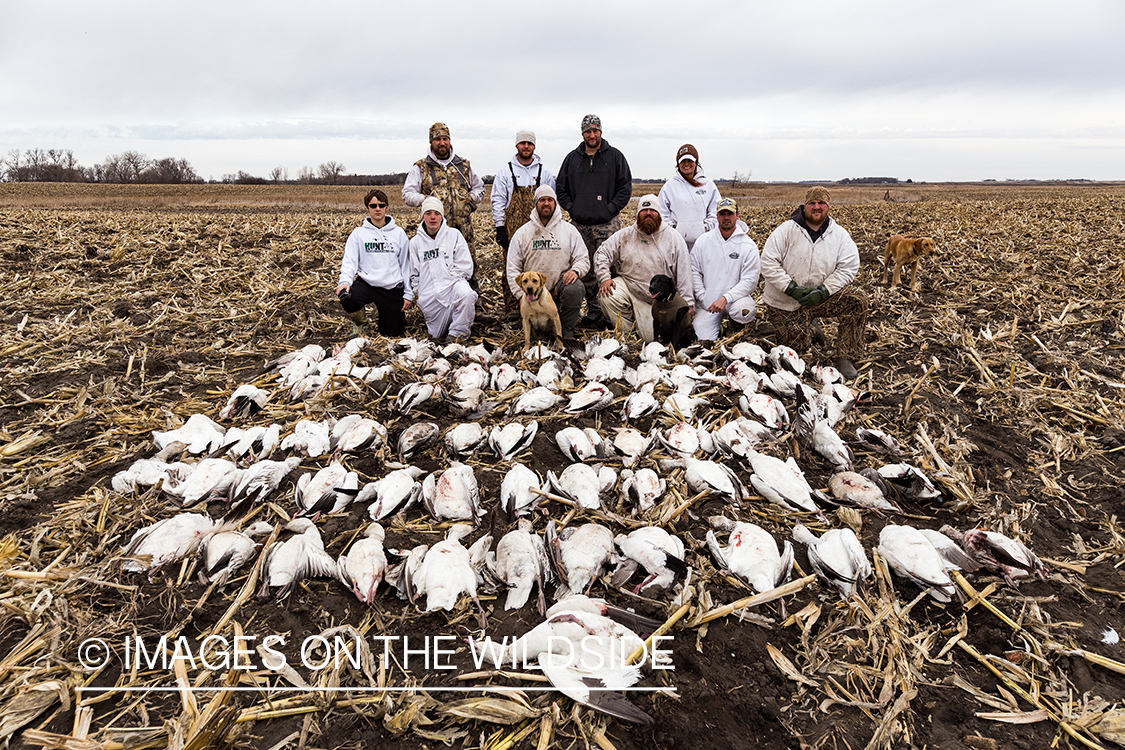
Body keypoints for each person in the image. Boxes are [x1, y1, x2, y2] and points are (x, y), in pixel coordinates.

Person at [760, 186, 867, 379]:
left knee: (857, 301)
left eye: (821, 203)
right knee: (795, 351)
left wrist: (825, 290)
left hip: (822, 296)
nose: (817, 207)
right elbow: (767, 262)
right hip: (788, 301)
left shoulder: (839, 235)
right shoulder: (786, 231)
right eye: (812, 203)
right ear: (805, 206)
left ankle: (846, 355)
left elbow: (849, 266)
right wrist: (790, 288)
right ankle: (810, 328)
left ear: (828, 206)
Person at [556, 114, 632, 329]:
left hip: (607, 225)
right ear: (582, 133)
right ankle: (593, 312)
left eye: (595, 130)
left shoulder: (615, 157)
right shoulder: (572, 159)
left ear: (601, 131)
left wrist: (610, 208)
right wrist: (573, 207)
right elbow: (560, 188)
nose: (592, 134)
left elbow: (625, 187)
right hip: (579, 225)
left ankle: (611, 311)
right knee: (586, 270)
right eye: (588, 131)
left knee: (610, 267)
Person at [593, 194, 692, 342]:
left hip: (660, 302)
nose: (648, 214)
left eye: (652, 210)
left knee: (651, 339)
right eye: (644, 211)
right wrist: (605, 278)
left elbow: (684, 274)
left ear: (659, 214)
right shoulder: (625, 235)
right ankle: (628, 335)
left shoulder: (673, 238)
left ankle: (642, 329)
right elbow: (602, 253)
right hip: (630, 288)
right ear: (638, 214)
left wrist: (688, 304)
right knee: (607, 294)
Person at [506, 185, 589, 340]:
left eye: (550, 200)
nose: (546, 203)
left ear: (555, 203)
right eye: (542, 200)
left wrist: (575, 270)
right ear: (536, 204)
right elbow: (512, 267)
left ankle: (566, 333)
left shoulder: (569, 231)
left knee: (575, 288)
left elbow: (582, 257)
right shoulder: (523, 233)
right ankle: (535, 333)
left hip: (559, 285)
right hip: (533, 290)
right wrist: (520, 295)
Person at [492, 130, 556, 322]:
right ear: (517, 146)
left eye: (529, 143)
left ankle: (543, 306)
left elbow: (551, 201)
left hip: (538, 228)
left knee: (538, 267)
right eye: (522, 143)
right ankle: (513, 308)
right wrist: (500, 227)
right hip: (512, 228)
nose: (526, 147)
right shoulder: (506, 171)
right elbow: (497, 200)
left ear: (534, 146)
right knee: (511, 268)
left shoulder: (543, 172)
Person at [402, 122, 485, 272]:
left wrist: (470, 199)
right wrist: (427, 200)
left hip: (463, 231)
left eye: (445, 139)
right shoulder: (421, 167)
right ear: (431, 142)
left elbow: (480, 188)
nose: (442, 143)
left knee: (467, 270)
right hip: (434, 233)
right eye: (437, 139)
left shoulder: (463, 165)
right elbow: (407, 194)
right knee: (436, 270)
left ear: (450, 140)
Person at [336, 189, 413, 336]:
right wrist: (345, 282)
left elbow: (406, 265)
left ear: (387, 208)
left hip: (391, 286)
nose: (377, 209)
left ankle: (382, 310)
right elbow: (349, 262)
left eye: (381, 205)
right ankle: (361, 323)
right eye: (373, 206)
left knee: (392, 333)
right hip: (367, 283)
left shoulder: (398, 234)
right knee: (348, 297)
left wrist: (408, 293)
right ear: (367, 208)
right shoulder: (358, 234)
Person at [407, 197, 477, 343]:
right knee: (436, 335)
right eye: (428, 213)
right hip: (430, 296)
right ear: (422, 216)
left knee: (467, 295)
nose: (433, 217)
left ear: (442, 216)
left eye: (437, 213)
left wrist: (448, 281)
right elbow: (414, 274)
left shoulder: (454, 235)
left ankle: (458, 333)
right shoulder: (415, 243)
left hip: (453, 286)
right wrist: (419, 293)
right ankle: (445, 328)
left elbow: (465, 265)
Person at [690, 198, 759, 343]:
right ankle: (718, 328)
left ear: (737, 215)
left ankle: (735, 329)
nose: (726, 217)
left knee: (744, 311)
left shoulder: (748, 245)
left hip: (736, 299)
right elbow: (694, 270)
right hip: (709, 302)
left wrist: (726, 298)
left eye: (730, 213)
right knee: (701, 338)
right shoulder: (703, 241)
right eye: (722, 214)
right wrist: (702, 296)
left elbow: (750, 281)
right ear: (717, 216)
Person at [658, 144, 720, 252]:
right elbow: (662, 213)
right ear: (678, 164)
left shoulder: (708, 185)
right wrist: (673, 231)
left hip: (704, 244)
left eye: (690, 160)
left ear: (696, 163)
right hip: (676, 245)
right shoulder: (669, 187)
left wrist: (705, 229)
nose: (686, 164)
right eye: (683, 161)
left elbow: (716, 210)